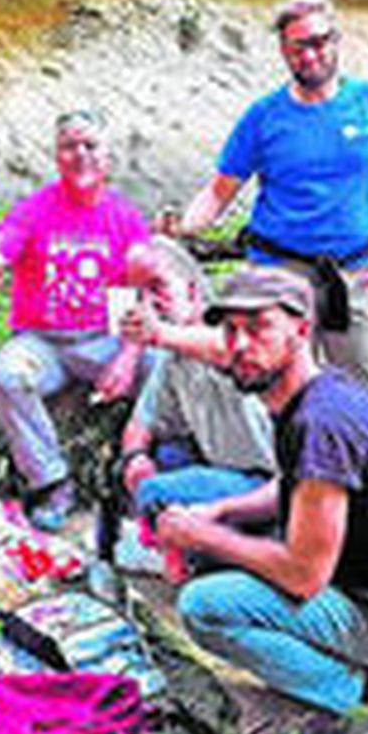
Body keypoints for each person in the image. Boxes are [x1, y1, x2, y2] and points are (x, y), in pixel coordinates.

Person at [157, 266, 368, 734]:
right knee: (219, 551)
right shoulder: (320, 391)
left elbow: (305, 576)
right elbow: (292, 485)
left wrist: (201, 536)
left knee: (202, 607)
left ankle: (356, 693)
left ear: (301, 330)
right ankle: (328, 665)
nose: (241, 344)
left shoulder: (318, 423)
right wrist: (219, 511)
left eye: (259, 327)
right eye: (231, 330)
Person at [172, 0, 368, 395]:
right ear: (284, 51)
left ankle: (357, 458)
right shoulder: (264, 117)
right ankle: (285, 459)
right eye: (300, 46)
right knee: (280, 388)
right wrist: (181, 227)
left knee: (361, 392)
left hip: (350, 275)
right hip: (277, 273)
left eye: (322, 41)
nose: (313, 55)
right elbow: (218, 193)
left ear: (337, 41)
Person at [0, 109, 150, 530]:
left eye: (90, 145)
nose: (80, 154)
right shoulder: (36, 208)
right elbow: (4, 244)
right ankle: (51, 481)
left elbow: (139, 297)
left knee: (164, 369)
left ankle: (145, 479)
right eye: (70, 146)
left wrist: (126, 357)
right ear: (57, 156)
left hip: (102, 338)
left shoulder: (125, 218)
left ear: (107, 157)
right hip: (43, 342)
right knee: (7, 375)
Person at [113, 239, 277, 572]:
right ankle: (179, 546)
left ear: (192, 292)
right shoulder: (174, 357)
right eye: (138, 295)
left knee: (157, 492)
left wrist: (156, 333)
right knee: (160, 460)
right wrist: (136, 458)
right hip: (227, 473)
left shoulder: (234, 335)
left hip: (273, 486)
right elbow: (139, 425)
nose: (147, 305)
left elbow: (225, 350)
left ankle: (179, 555)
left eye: (158, 288)